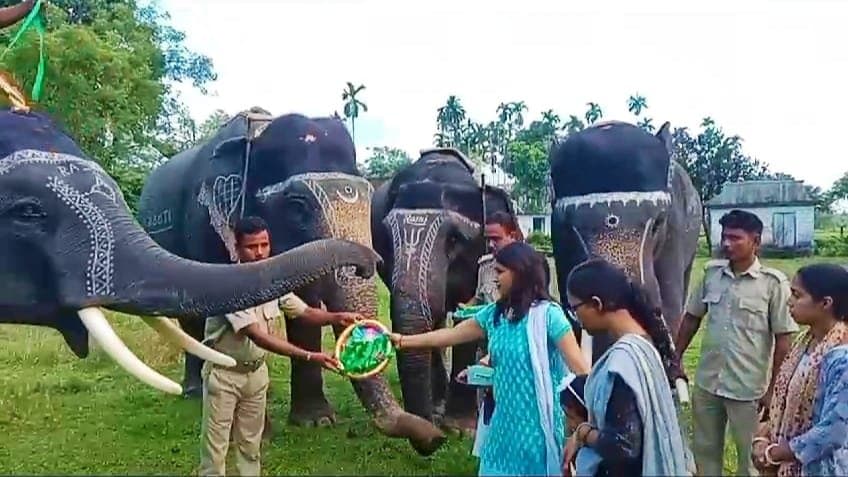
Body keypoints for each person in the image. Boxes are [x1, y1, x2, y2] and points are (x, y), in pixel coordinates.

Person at [390, 241, 590, 476]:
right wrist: (403, 340)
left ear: (521, 273)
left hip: (540, 432)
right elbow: (451, 335)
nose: (495, 279)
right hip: (503, 428)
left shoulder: (549, 316)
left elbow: (581, 370)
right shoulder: (496, 315)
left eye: (500, 272)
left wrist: (587, 428)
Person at [198, 216, 363, 477]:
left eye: (264, 244)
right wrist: (310, 355)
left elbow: (305, 312)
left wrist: (336, 317)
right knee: (216, 447)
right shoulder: (229, 286)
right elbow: (257, 336)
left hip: (256, 374)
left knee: (251, 445)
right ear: (236, 248)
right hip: (225, 375)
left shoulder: (272, 283)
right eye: (252, 247)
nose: (260, 252)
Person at [675, 209, 798, 476]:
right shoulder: (711, 274)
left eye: (735, 238)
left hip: (750, 388)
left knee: (751, 458)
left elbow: (784, 341)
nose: (727, 243)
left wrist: (774, 391)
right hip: (709, 382)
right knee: (705, 452)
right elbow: (691, 319)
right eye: (724, 236)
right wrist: (676, 358)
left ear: (756, 241)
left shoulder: (772, 284)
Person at [564, 258, 690, 476]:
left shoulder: (623, 363)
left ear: (597, 304)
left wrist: (583, 432)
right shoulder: (646, 343)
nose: (576, 318)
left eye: (575, 309)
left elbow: (623, 446)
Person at [752, 263, 848, 476]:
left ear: (825, 303)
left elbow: (834, 431)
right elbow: (783, 406)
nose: (789, 302)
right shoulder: (804, 344)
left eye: (797, 295)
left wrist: (775, 453)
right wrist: (763, 440)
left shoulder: (842, 358)